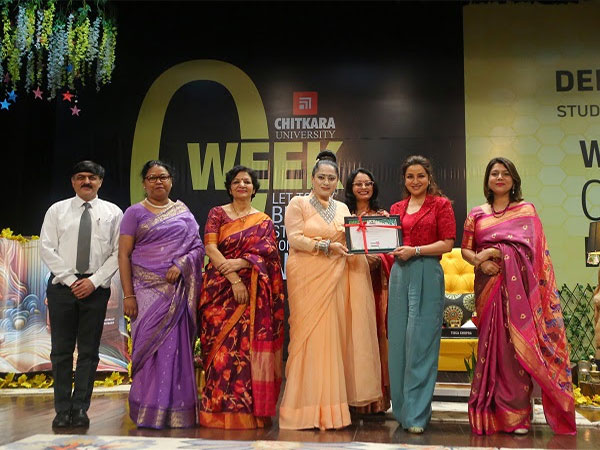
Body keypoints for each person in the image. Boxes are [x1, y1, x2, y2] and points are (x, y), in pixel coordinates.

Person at [461, 157, 575, 435]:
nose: (499, 177)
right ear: (487, 180)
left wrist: (496, 253)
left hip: (519, 294)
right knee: (492, 349)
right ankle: (491, 413)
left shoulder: (526, 211)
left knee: (514, 351)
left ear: (514, 180)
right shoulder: (476, 213)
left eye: (505, 173)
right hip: (488, 287)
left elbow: (534, 254)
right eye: (494, 173)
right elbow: (465, 249)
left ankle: (518, 416)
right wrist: (480, 261)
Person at [279, 151, 382, 430]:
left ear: (337, 182)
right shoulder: (298, 203)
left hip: (336, 277)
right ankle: (302, 410)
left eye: (331, 178)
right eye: (321, 177)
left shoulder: (343, 209)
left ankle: (331, 412)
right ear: (312, 179)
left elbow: (350, 240)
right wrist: (325, 247)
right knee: (308, 338)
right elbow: (295, 239)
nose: (326, 182)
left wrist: (370, 244)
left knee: (332, 339)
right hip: (307, 277)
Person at [118, 160, 204, 429]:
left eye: (163, 177)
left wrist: (181, 265)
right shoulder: (134, 213)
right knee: (148, 350)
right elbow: (124, 254)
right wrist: (128, 295)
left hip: (175, 291)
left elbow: (198, 249)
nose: (158, 181)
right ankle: (148, 411)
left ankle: (176, 411)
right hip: (144, 292)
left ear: (171, 181)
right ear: (144, 182)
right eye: (152, 177)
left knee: (174, 350)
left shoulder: (184, 213)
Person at [198, 165, 284, 429]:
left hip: (254, 291)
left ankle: (248, 413)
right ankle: (215, 411)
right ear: (230, 187)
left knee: (245, 351)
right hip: (219, 288)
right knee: (218, 349)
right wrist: (233, 274)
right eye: (237, 182)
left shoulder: (264, 221)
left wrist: (243, 263)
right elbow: (210, 247)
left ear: (254, 189)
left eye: (247, 182)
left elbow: (269, 256)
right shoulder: (217, 214)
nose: (242, 185)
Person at [40, 160, 123, 428]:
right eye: (80, 177)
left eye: (92, 177)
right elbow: (46, 248)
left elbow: (117, 252)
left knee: (88, 352)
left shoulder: (113, 212)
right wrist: (70, 279)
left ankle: (80, 409)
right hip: (62, 288)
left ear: (100, 181)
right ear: (72, 181)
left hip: (95, 290)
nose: (86, 181)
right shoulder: (57, 210)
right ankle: (62, 409)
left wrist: (94, 281)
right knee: (61, 352)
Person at [388, 155, 455, 434]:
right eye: (410, 177)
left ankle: (417, 415)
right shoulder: (396, 207)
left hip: (427, 272)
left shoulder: (441, 205)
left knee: (420, 344)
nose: (415, 181)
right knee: (399, 345)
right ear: (404, 180)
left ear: (429, 178)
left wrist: (415, 250)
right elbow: (389, 240)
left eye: (420, 176)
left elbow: (448, 244)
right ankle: (402, 411)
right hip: (399, 275)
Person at [344, 168, 394, 414]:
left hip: (377, 284)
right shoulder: (343, 215)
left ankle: (376, 401)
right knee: (351, 336)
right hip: (349, 282)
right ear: (350, 187)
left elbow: (391, 250)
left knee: (376, 335)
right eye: (358, 183)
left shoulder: (383, 216)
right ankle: (351, 398)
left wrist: (379, 259)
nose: (363, 187)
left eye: (368, 183)